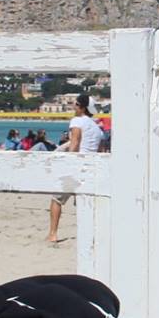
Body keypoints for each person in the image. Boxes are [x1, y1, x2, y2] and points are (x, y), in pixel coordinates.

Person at [47, 95, 106, 244]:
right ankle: (91, 235)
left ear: (82, 107)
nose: (74, 106)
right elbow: (99, 150)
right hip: (91, 167)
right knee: (85, 202)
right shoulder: (97, 129)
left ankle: (53, 234)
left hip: (77, 165)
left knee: (57, 199)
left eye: (76, 104)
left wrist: (69, 160)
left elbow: (75, 141)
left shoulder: (77, 121)